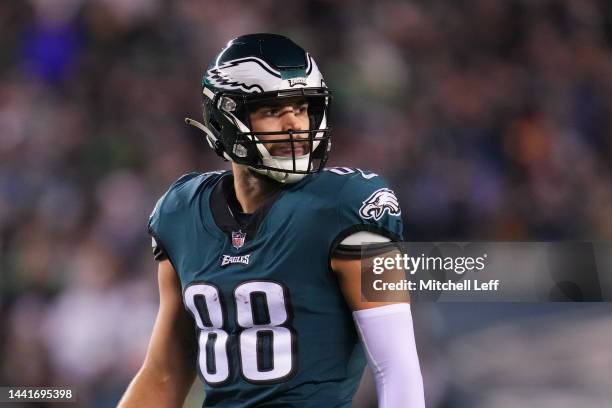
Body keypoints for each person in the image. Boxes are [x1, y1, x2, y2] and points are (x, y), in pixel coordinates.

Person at [118, 33, 424, 408]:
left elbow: (397, 367)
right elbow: (165, 372)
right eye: (273, 111)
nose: (295, 124)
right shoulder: (180, 213)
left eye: (302, 108)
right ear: (226, 118)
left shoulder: (345, 206)